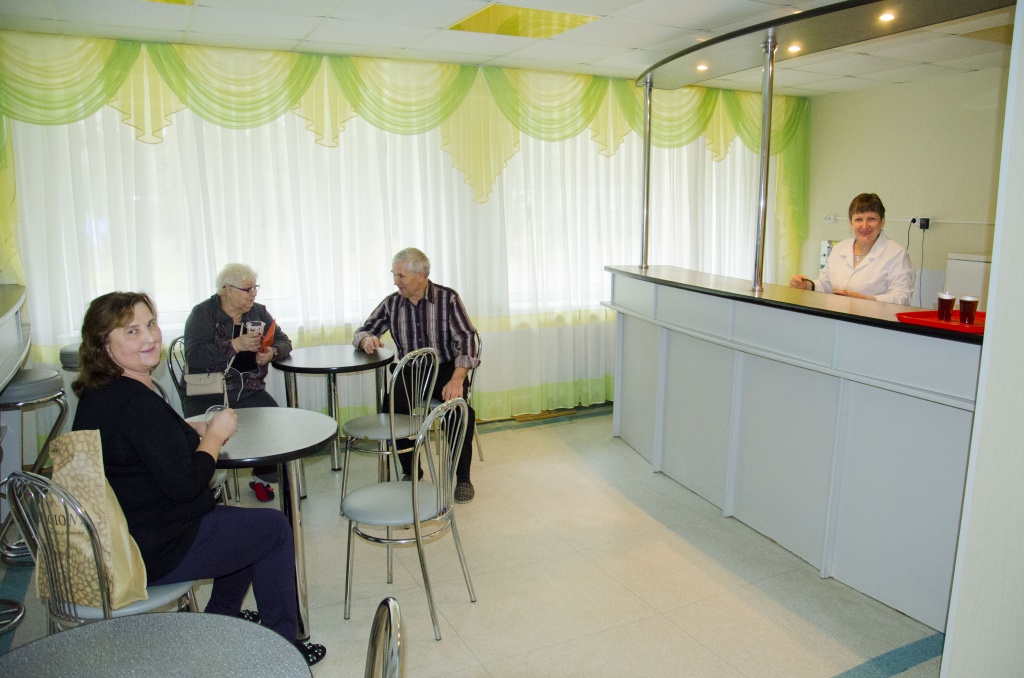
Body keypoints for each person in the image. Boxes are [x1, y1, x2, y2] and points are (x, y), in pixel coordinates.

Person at [71, 292, 325, 666]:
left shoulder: (102, 393)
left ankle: (221, 620)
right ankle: (283, 650)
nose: (149, 337)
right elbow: (188, 484)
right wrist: (214, 436)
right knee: (272, 529)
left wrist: (190, 431)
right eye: (131, 331)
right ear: (104, 345)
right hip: (153, 550)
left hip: (128, 531)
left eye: (150, 324)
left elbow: (144, 449)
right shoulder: (135, 402)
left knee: (241, 525)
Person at [354, 247, 480, 503]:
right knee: (392, 409)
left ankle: (463, 477)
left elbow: (468, 339)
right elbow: (364, 331)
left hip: (446, 368)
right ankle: (411, 470)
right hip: (411, 370)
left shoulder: (448, 299)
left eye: (400, 275)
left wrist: (457, 380)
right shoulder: (392, 303)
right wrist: (366, 339)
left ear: (421, 275)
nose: (395, 281)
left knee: (460, 412)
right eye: (394, 274)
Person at [184, 263, 291, 496]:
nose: (253, 294)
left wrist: (272, 352)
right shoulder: (203, 314)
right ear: (227, 290)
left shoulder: (258, 313)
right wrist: (234, 345)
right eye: (247, 289)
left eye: (255, 288)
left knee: (277, 424)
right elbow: (193, 355)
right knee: (204, 433)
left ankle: (262, 478)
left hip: (249, 390)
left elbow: (284, 341)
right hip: (208, 394)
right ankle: (209, 488)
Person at [790, 193, 915, 305]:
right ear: (851, 224)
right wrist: (807, 285)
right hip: (838, 317)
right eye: (858, 219)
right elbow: (825, 285)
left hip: (874, 321)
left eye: (871, 219)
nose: (864, 226)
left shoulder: (896, 253)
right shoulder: (839, 249)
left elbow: (902, 297)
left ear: (882, 222)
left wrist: (867, 300)